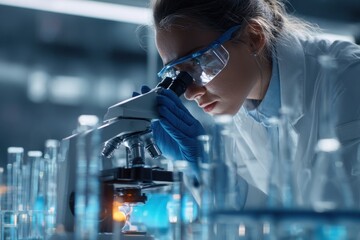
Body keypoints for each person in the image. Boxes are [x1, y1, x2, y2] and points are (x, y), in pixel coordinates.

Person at [140, 0, 360, 208]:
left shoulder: (349, 77)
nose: (190, 92)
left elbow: (341, 220)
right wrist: (208, 172)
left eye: (199, 63)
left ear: (254, 37)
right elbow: (262, 214)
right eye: (177, 74)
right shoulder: (236, 106)